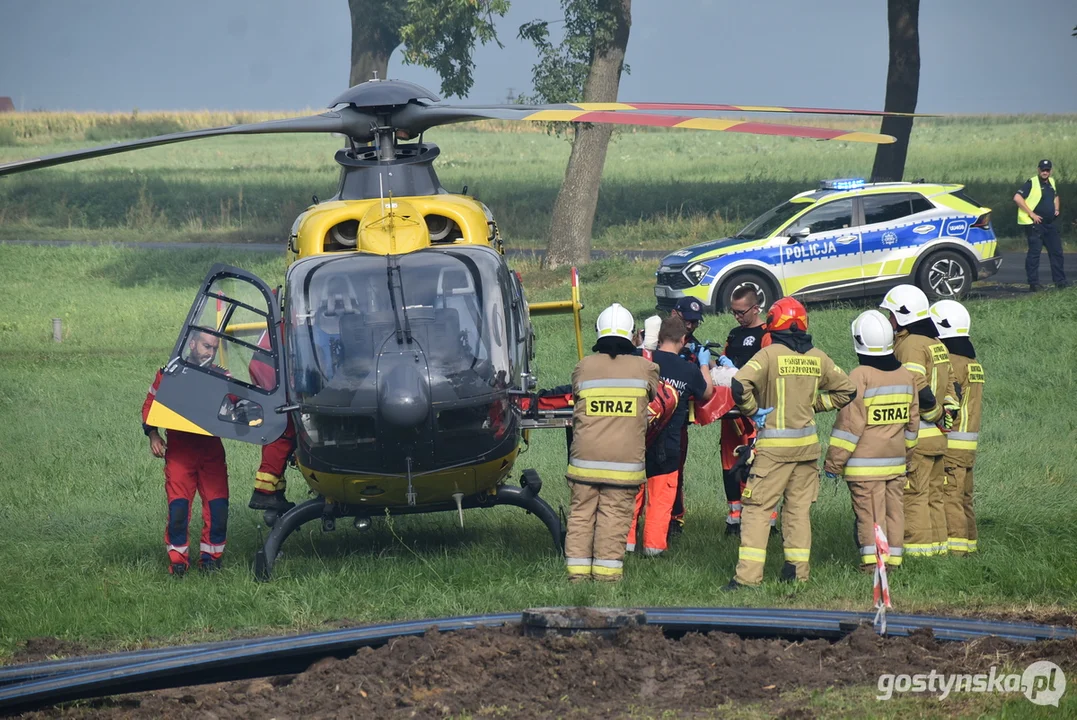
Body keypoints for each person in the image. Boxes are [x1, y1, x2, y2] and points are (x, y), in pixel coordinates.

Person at [722, 298, 855, 590]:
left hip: (774, 451)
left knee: (757, 510)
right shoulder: (818, 357)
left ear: (773, 324)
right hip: (807, 449)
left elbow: (738, 385)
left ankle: (747, 579)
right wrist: (816, 404)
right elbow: (847, 390)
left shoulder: (769, 355)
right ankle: (797, 573)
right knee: (797, 510)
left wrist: (752, 410)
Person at [564, 303, 659, 582]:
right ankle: (606, 579)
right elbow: (652, 396)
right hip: (623, 465)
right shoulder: (646, 368)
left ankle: (577, 576)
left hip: (585, 462)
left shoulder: (584, 367)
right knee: (614, 518)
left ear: (599, 332)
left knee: (581, 516)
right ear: (633, 335)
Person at [824, 310, 918, 573]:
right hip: (896, 462)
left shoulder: (860, 376)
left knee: (870, 515)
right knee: (894, 513)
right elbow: (912, 424)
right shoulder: (906, 376)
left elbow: (849, 427)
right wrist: (907, 457)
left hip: (864, 467)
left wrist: (833, 463)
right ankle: (894, 562)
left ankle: (873, 564)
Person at [142, 330, 230, 577]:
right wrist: (153, 434)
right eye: (205, 346)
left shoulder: (222, 377)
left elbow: (237, 405)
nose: (209, 352)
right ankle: (178, 562)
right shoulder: (168, 374)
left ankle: (211, 561)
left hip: (211, 453)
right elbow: (150, 404)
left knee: (218, 508)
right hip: (180, 453)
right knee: (178, 510)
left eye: (213, 348)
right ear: (192, 344)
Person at [879, 284, 958, 558]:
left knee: (914, 496)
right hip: (938, 438)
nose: (888, 321)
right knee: (935, 497)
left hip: (920, 436)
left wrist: (934, 414)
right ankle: (939, 551)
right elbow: (953, 388)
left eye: (890, 315)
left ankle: (918, 555)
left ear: (902, 316)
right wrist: (947, 416)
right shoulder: (937, 345)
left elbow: (916, 385)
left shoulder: (911, 344)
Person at [626, 315, 714, 556]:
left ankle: (626, 544)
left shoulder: (641, 359)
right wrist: (704, 364)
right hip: (669, 443)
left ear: (659, 336)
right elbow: (707, 393)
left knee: (631, 494)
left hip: (636, 440)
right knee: (661, 498)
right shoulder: (688, 370)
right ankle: (654, 548)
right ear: (683, 340)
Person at [930, 300, 983, 556]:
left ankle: (957, 553)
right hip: (969, 445)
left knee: (949, 497)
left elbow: (947, 399)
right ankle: (970, 547)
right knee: (964, 498)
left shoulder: (952, 361)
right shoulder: (972, 362)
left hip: (952, 444)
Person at [717, 286, 768, 535]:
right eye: (733, 312)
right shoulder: (734, 335)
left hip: (755, 411)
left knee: (757, 465)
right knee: (729, 465)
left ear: (755, 308)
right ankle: (734, 518)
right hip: (730, 412)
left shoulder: (766, 335)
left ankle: (765, 520)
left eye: (741, 312)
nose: (736, 317)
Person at [669, 297, 710, 533]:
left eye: (695, 323)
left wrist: (706, 364)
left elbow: (703, 390)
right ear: (675, 314)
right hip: (649, 418)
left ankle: (675, 519)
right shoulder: (654, 338)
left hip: (678, 420)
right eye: (688, 321)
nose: (691, 327)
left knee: (675, 471)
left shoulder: (692, 344)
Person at [1014, 159, 1067, 291]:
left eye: (1047, 170)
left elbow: (1056, 196)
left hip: (1050, 224)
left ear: (1050, 171)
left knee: (1057, 253)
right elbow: (1017, 198)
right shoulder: (1032, 182)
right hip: (1035, 225)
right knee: (1034, 254)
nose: (1045, 172)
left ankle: (1060, 282)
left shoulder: (1052, 182)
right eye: (1043, 170)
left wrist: (1056, 208)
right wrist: (1031, 214)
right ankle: (1034, 283)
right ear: (1038, 170)